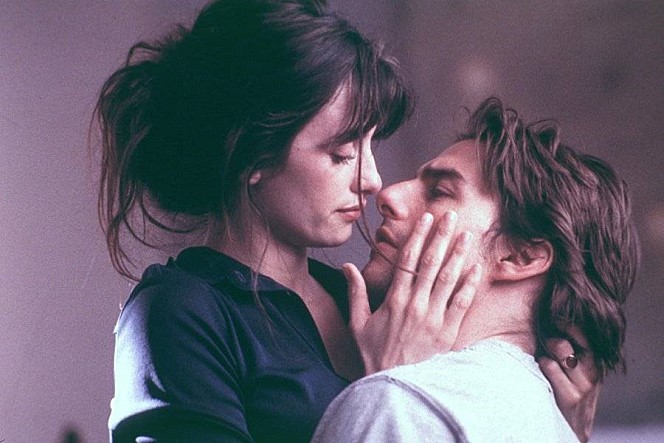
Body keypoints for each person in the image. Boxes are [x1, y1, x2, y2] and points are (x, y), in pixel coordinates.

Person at [94, 0, 600, 441]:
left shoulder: (370, 297)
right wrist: (389, 387)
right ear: (252, 154)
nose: (374, 181)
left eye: (371, 145)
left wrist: (557, 427)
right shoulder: (180, 312)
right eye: (341, 154)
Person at [312, 97, 640, 442]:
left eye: (439, 192)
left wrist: (387, 395)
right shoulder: (557, 428)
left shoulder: (399, 405)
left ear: (521, 257)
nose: (388, 194)